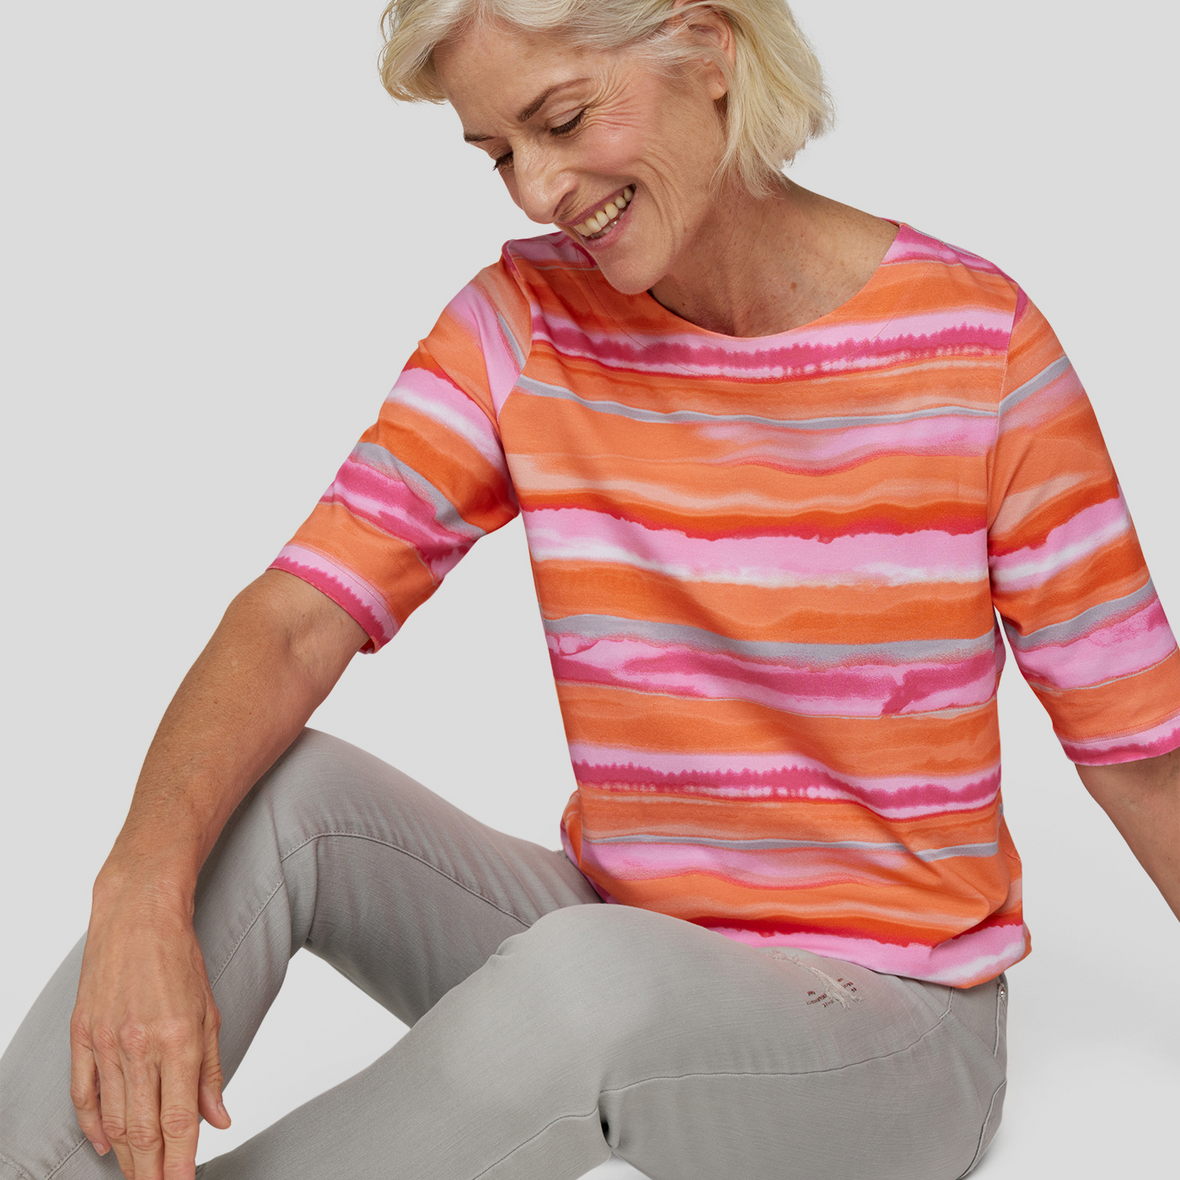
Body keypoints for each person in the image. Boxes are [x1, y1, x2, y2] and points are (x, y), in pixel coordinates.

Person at [2, 2, 1177, 1180]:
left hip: (889, 1031)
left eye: (560, 121)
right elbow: (294, 617)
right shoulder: (523, 323)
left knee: (588, 980)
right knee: (273, 793)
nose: (535, 189)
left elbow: (1138, 756)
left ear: (706, 50)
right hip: (623, 936)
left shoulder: (978, 347)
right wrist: (138, 888)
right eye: (499, 152)